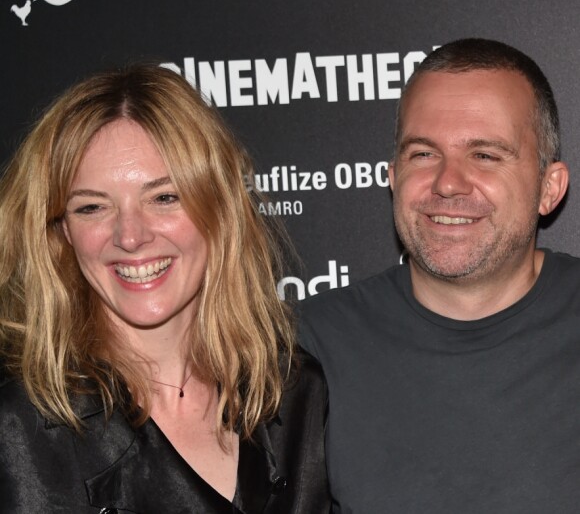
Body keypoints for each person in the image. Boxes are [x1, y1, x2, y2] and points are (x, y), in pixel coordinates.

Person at [0, 65, 330, 513]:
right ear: (61, 233)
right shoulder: (19, 426)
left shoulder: (292, 391)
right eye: (92, 207)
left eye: (164, 198)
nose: (130, 236)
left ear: (220, 210)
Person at [299, 38, 580, 513]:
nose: (448, 182)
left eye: (485, 155)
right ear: (392, 175)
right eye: (424, 154)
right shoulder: (307, 346)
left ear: (548, 188)